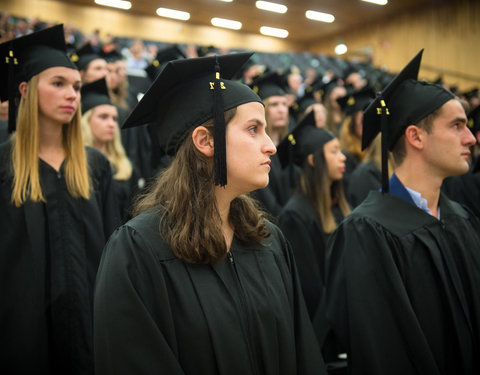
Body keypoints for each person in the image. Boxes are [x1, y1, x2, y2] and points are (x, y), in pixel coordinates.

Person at [94, 52, 327, 375]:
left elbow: (302, 354)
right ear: (205, 141)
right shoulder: (139, 251)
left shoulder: (269, 241)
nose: (270, 145)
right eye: (253, 130)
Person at [325, 49, 480, 374]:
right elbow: (382, 353)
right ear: (415, 136)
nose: (470, 138)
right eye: (457, 126)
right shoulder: (367, 232)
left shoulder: (460, 219)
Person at [0, 25, 120, 374]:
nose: (72, 95)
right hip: (20, 339)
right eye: (58, 84)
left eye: (77, 87)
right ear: (25, 89)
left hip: (90, 331)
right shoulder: (4, 168)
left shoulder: (95, 167)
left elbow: (112, 255)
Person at [80, 78, 140, 221]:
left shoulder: (124, 166)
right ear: (86, 121)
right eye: (103, 117)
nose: (111, 124)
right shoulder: (75, 164)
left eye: (114, 119)